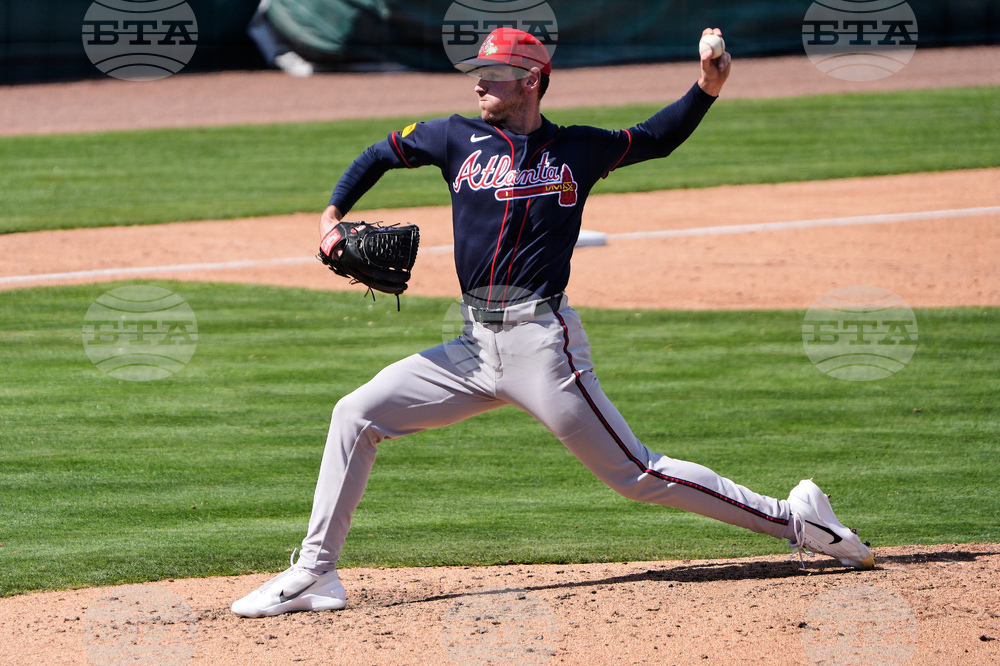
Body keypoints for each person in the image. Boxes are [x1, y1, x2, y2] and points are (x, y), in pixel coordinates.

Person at [232, 27, 874, 618]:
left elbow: (656, 138)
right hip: (471, 347)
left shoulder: (578, 149)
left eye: (495, 71)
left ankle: (798, 521)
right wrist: (331, 215)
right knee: (356, 414)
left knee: (636, 474)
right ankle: (317, 572)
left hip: (544, 346)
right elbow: (381, 152)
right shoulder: (455, 136)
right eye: (477, 70)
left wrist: (708, 87)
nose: (479, 81)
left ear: (533, 80)